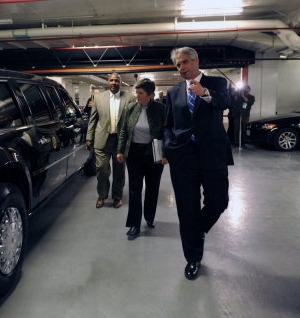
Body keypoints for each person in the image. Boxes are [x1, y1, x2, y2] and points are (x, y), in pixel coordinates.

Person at [164, 47, 233, 280]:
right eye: (177, 65)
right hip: (183, 158)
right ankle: (193, 258)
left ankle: (197, 230)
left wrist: (204, 92)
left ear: (196, 61)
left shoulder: (216, 83)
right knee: (187, 208)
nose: (181, 68)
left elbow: (225, 103)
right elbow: (168, 125)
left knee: (219, 201)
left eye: (184, 62)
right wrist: (169, 147)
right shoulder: (173, 93)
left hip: (212, 153)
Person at [116, 78, 168, 240]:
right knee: (134, 190)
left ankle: (149, 216)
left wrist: (166, 154)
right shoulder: (131, 108)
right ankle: (134, 224)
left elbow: (167, 132)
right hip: (134, 154)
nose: (137, 96)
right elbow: (124, 130)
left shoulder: (161, 109)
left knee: (152, 188)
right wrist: (120, 150)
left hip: (154, 153)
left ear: (151, 95)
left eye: (141, 93)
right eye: (136, 92)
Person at [86, 73, 136, 209]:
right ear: (108, 82)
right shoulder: (98, 98)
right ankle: (102, 195)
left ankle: (117, 197)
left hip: (120, 142)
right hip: (102, 140)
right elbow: (93, 119)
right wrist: (89, 137)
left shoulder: (130, 98)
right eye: (111, 80)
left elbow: (133, 121)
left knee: (119, 171)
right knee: (102, 170)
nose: (113, 83)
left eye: (116, 80)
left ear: (120, 82)